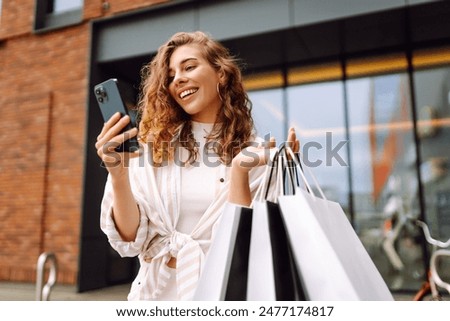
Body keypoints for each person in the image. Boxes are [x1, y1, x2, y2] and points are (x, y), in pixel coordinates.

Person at [95, 31, 299, 300]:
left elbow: (251, 246)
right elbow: (129, 240)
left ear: (221, 74)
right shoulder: (151, 148)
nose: (178, 78)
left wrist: (240, 170)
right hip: (156, 298)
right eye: (170, 76)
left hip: (225, 297)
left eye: (189, 66)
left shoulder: (256, 154)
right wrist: (119, 175)